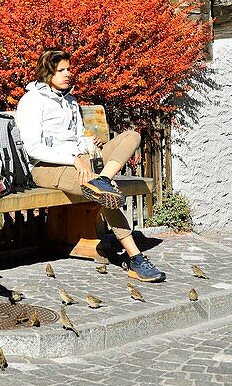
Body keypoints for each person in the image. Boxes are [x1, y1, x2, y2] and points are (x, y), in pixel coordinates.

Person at [16, 49, 165, 282]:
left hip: (82, 162)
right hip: (47, 168)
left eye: (69, 69)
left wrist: (88, 143)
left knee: (131, 137)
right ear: (48, 72)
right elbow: (33, 148)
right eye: (61, 70)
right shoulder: (32, 101)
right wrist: (74, 159)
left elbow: (74, 139)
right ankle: (135, 258)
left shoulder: (71, 101)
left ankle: (103, 179)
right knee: (104, 195)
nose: (68, 74)